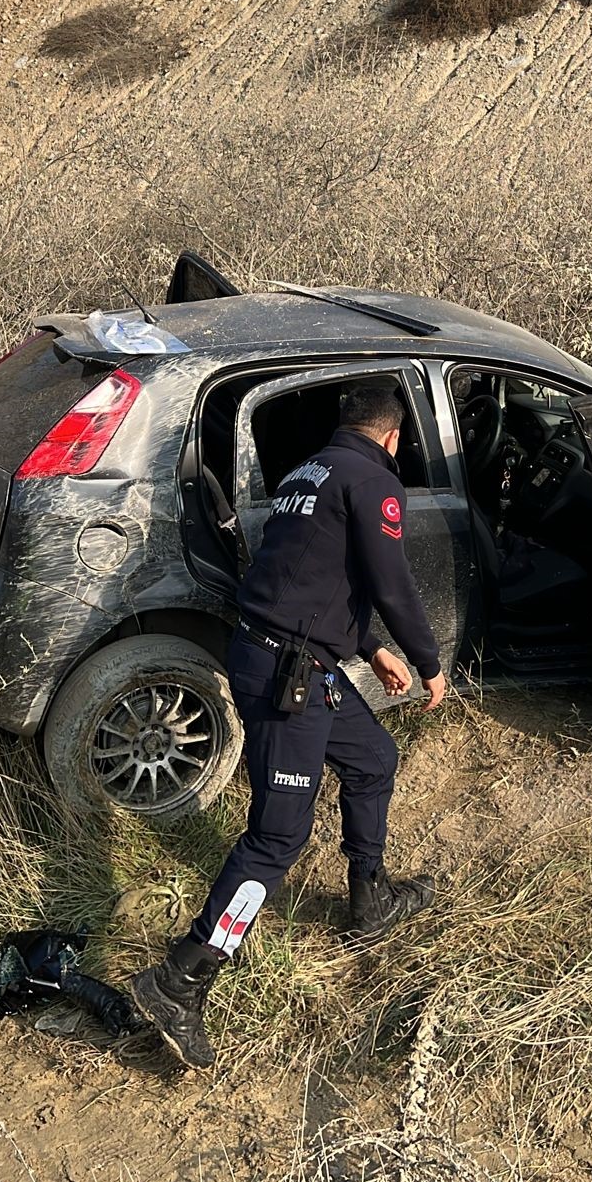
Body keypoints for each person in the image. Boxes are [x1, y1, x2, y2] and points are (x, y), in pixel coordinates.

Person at [128, 381, 447, 1067]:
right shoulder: (373, 483)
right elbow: (389, 581)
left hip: (296, 661)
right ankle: (180, 979)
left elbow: (310, 580)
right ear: (394, 436)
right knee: (278, 836)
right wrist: (428, 662)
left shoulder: (310, 472)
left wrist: (371, 649)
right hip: (288, 675)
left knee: (373, 762)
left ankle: (370, 897)